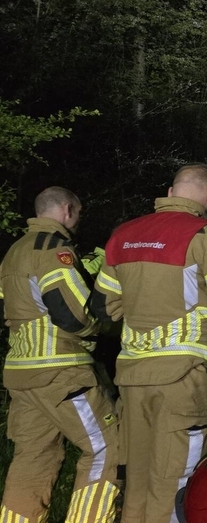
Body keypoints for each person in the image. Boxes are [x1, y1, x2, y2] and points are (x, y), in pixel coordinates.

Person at [89, 164, 207, 523]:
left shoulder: (122, 236)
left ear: (170, 191)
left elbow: (103, 308)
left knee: (138, 487)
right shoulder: (206, 236)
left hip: (131, 379)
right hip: (184, 379)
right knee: (176, 486)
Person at [0, 187, 121, 523]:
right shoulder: (53, 249)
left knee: (33, 459)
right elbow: (73, 314)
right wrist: (104, 328)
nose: (78, 220)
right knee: (106, 448)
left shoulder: (14, 252)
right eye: (78, 213)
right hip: (61, 371)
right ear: (68, 209)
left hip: (21, 374)